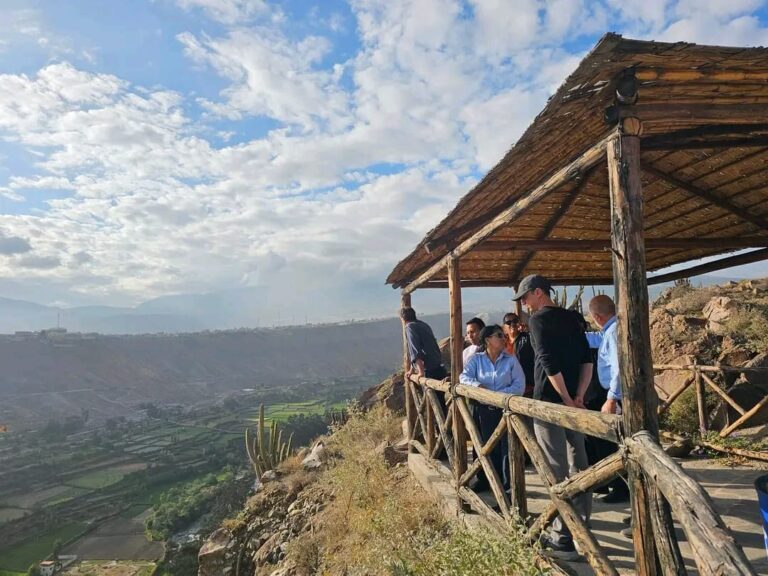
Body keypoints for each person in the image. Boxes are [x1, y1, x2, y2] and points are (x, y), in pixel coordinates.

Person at [513, 274, 593, 561]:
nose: (524, 304)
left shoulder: (538, 321)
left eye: (525, 297)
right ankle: (581, 527)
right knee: (580, 466)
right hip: (575, 402)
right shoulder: (573, 317)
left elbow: (547, 362)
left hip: (550, 403)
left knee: (556, 472)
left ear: (538, 293)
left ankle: (563, 537)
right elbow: (587, 358)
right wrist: (579, 397)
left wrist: (566, 399)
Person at [460, 324, 525, 491]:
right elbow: (464, 377)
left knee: (507, 449)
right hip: (484, 412)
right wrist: (478, 386)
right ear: (488, 339)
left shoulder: (511, 360)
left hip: (505, 412)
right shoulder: (476, 360)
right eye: (499, 335)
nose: (504, 339)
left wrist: (495, 395)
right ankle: (485, 480)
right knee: (486, 446)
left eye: (503, 335)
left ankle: (508, 488)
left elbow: (519, 386)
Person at [588, 295, 629, 504]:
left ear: (597, 316)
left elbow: (618, 368)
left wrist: (612, 398)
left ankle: (624, 489)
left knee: (620, 444)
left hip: (618, 398)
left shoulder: (613, 333)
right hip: (617, 396)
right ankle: (623, 488)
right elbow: (595, 339)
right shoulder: (610, 331)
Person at [401, 307, 447, 381]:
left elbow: (415, 351)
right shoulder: (424, 325)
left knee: (429, 391)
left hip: (429, 370)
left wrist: (420, 372)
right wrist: (411, 370)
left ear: (403, 319)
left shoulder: (410, 327)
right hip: (439, 366)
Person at [503, 312, 535, 397]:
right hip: (508, 388)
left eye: (515, 321)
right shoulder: (502, 343)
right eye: (508, 322)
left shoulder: (528, 338)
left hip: (528, 387)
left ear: (519, 323)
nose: (512, 324)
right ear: (504, 327)